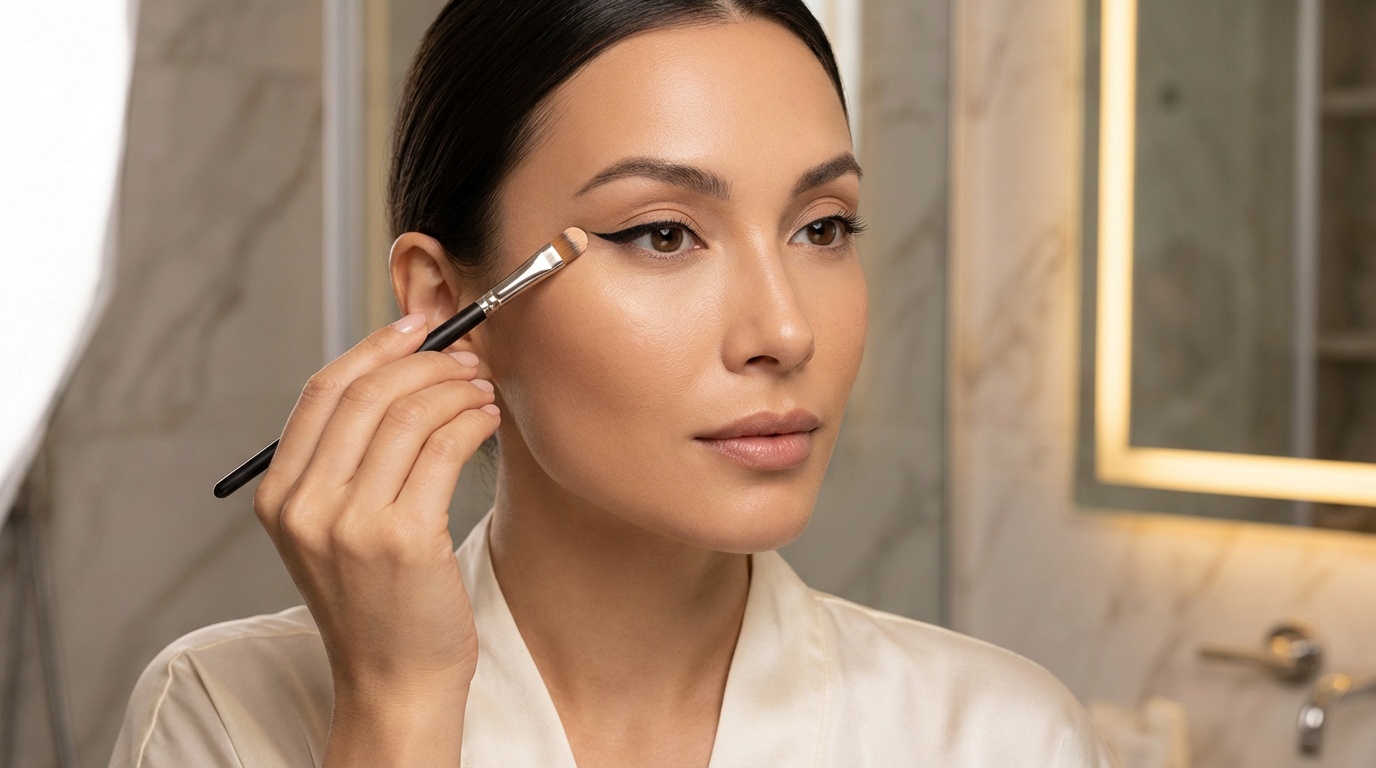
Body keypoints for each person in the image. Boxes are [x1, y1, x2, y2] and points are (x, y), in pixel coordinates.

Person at [111, 1, 1116, 765]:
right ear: (446, 305)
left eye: (821, 227)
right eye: (661, 233)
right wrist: (397, 707)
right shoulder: (227, 712)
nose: (783, 329)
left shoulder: (993, 735)